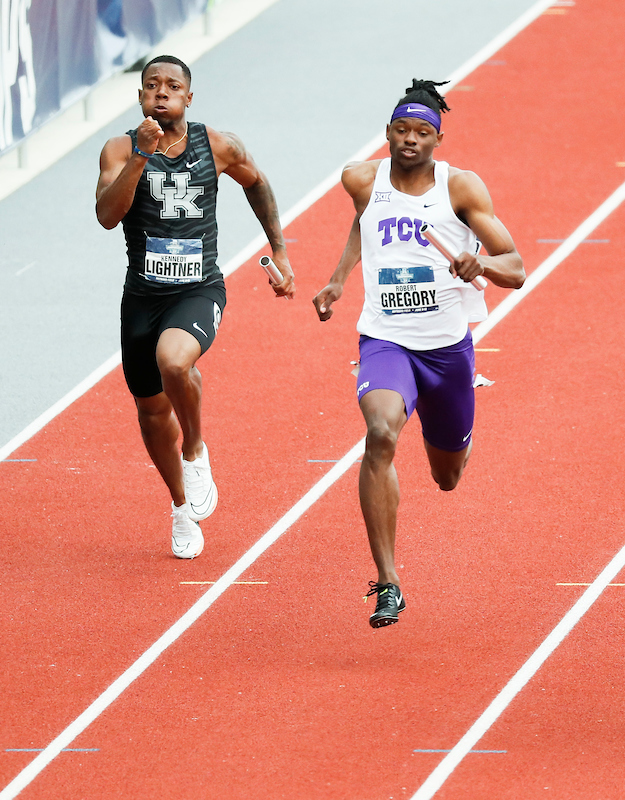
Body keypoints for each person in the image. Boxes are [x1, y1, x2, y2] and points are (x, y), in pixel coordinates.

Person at [312, 80, 525, 629]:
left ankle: (456, 423)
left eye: (422, 132)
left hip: (446, 349)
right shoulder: (361, 177)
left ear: (438, 138)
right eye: (401, 130)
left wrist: (480, 265)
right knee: (381, 432)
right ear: (387, 134)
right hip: (384, 338)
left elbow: (516, 267)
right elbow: (363, 222)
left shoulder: (461, 188)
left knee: (447, 476)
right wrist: (338, 280)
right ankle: (388, 581)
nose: (410, 140)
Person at [95, 54, 295, 560]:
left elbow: (258, 183)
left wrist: (281, 249)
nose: (161, 92)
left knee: (174, 360)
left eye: (172, 85)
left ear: (189, 96)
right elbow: (105, 216)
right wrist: (142, 156)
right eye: (151, 85)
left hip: (198, 288)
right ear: (140, 96)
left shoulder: (219, 145)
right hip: (142, 297)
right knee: (150, 412)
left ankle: (196, 448)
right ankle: (181, 506)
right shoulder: (119, 150)